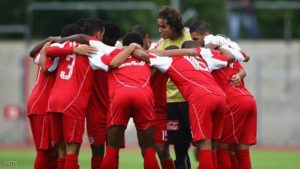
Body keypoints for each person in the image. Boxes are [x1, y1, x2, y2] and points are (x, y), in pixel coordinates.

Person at [189, 21, 257, 169]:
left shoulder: (209, 55)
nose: (194, 44)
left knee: (220, 147)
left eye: (196, 39)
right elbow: (243, 65)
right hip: (248, 99)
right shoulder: (227, 51)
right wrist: (240, 74)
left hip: (232, 101)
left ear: (207, 37)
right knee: (241, 150)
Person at [88, 32, 160, 169]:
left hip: (120, 96)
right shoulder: (148, 57)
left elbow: (106, 62)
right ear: (141, 45)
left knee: (111, 149)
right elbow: (162, 60)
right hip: (143, 95)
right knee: (149, 150)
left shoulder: (113, 53)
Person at [46, 22, 98, 169]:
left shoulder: (63, 47)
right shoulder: (92, 47)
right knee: (72, 151)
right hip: (72, 102)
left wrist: (72, 48)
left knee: (61, 151)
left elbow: (48, 50)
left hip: (53, 102)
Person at [156, 6, 192, 169]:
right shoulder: (161, 45)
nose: (160, 30)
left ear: (174, 26)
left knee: (201, 144)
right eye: (159, 26)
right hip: (172, 101)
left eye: (164, 26)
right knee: (179, 147)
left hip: (190, 99)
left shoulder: (190, 36)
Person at [84, 19, 121, 169]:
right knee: (113, 152)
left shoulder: (89, 52)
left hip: (96, 112)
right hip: (114, 111)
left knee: (98, 152)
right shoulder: (120, 56)